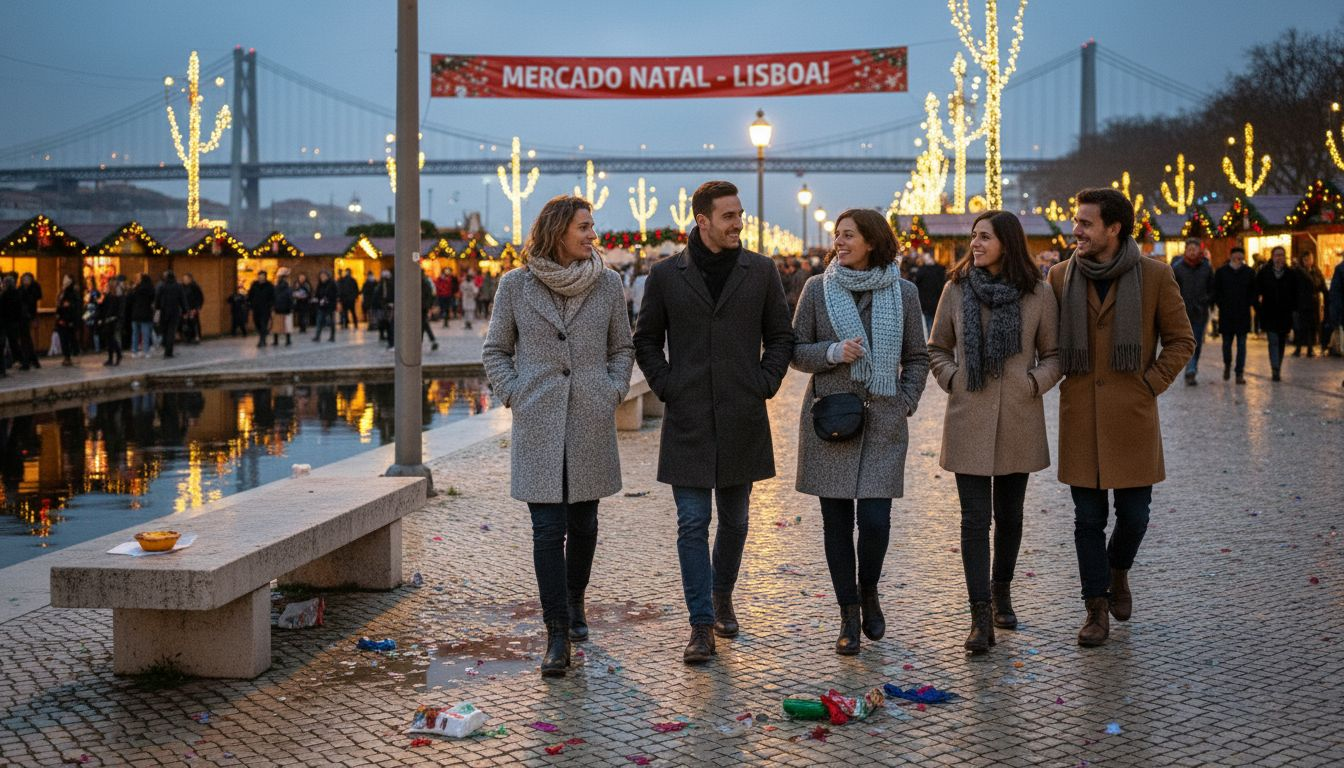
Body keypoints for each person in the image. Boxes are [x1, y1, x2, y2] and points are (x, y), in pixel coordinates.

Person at [633, 180, 794, 664]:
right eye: (728, 216)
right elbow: (646, 341)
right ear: (702, 221)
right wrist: (668, 386)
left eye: (740, 214)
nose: (738, 224)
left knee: (737, 521)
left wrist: (764, 381)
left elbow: (781, 337)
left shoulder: (761, 271)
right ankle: (700, 624)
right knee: (692, 522)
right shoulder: (665, 276)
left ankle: (723, 594)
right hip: (688, 419)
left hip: (743, 415)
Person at [482, 194, 634, 677]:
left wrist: (611, 390)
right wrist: (515, 394)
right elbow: (495, 351)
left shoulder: (608, 284)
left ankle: (574, 602)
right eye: (584, 227)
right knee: (548, 529)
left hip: (589, 417)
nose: (593, 234)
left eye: (592, 226)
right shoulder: (515, 286)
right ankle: (555, 635)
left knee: (585, 525)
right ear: (558, 231)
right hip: (539, 420)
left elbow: (622, 347)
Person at [1046, 188, 1194, 647]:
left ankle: (1118, 571)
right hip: (1082, 417)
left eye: (1086, 223)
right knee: (1086, 520)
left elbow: (1181, 340)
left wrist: (1148, 385)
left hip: (1132, 416)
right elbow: (1047, 344)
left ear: (1114, 228)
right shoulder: (1058, 277)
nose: (1076, 230)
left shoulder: (1154, 275)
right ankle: (1095, 608)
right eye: (1076, 221)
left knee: (1135, 515)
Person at [791, 208, 929, 655]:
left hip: (884, 420)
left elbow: (918, 357)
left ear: (872, 241)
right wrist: (832, 352)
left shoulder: (904, 293)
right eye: (837, 235)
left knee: (874, 520)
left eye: (849, 235)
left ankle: (868, 589)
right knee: (835, 523)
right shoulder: (817, 289)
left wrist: (905, 401)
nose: (840, 243)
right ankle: (848, 614)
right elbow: (795, 351)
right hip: (832, 420)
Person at [928, 210, 1060, 653]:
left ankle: (1002, 590)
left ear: (1008, 242)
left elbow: (1055, 354)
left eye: (984, 237)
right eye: (973, 236)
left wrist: (1032, 383)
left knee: (1011, 516)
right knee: (973, 520)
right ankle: (979, 615)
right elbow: (936, 347)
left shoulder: (1038, 293)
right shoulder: (956, 288)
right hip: (969, 415)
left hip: (1019, 418)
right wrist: (953, 378)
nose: (976, 244)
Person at [1171, 238, 1213, 386]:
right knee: (1187, 342)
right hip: (1182, 312)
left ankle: (1192, 367)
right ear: (1185, 250)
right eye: (1190, 249)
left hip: (1200, 311)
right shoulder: (1177, 268)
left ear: (1199, 250)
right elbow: (1171, 289)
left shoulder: (1206, 267)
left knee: (1197, 342)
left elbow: (1211, 288)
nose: (1192, 252)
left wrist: (1206, 300)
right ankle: (1191, 368)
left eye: (1195, 249)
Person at [1255, 246, 1298, 382]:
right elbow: (1256, 290)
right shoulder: (1264, 273)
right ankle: (1275, 369)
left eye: (1282, 255)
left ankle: (1277, 365)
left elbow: (1296, 293)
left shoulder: (1291, 274)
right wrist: (1259, 308)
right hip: (1269, 313)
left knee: (1281, 342)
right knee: (1273, 341)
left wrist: (1294, 309)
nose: (1279, 258)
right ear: (1272, 257)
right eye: (1277, 255)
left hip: (1285, 314)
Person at [1213, 246, 1256, 384]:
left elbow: (1253, 292)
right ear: (1231, 257)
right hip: (1227, 314)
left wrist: (1249, 303)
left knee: (1242, 345)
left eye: (1240, 258)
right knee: (1226, 344)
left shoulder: (1249, 272)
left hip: (1243, 314)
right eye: (1235, 257)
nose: (1238, 260)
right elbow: (1216, 291)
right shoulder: (1221, 272)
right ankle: (1227, 364)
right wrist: (1221, 304)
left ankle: (1239, 373)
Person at [1293, 250, 1327, 358]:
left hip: (1313, 303)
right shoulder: (1298, 272)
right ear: (1302, 260)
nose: (1308, 261)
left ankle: (1310, 348)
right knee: (1300, 327)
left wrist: (1327, 298)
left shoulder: (1316, 271)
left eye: (1310, 259)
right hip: (1301, 303)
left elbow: (1322, 286)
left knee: (1312, 326)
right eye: (1306, 259)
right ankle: (1298, 348)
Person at [154, 270, 187, 358]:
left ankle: (165, 347)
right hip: (174, 311)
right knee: (171, 331)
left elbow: (157, 299)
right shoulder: (178, 286)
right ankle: (169, 351)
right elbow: (182, 299)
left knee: (164, 330)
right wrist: (185, 310)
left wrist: (157, 308)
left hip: (164, 311)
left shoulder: (162, 286)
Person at [913, 252, 948, 334]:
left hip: (927, 301)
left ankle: (931, 341)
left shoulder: (922, 270)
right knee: (936, 322)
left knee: (929, 323)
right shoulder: (940, 269)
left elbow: (917, 283)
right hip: (937, 300)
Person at [54, 274, 81, 366]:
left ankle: (72, 355)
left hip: (69, 320)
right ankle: (67, 356)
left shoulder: (72, 293)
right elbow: (60, 305)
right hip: (62, 320)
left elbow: (74, 307)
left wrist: (68, 318)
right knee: (64, 340)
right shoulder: (62, 292)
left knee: (70, 339)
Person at [98, 279, 126, 366]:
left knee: (112, 339)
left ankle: (118, 354)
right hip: (108, 319)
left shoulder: (117, 296)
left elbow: (118, 309)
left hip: (113, 319)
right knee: (109, 339)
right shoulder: (108, 295)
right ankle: (111, 358)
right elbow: (103, 307)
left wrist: (118, 318)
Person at [128, 273, 156, 358]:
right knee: (146, 333)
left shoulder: (136, 289)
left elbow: (130, 299)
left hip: (136, 314)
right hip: (146, 313)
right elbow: (153, 300)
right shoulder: (150, 289)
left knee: (135, 333)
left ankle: (134, 351)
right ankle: (146, 351)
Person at [247, 271, 276, 348]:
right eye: (260, 276)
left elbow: (273, 297)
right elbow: (250, 295)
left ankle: (262, 340)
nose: (261, 277)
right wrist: (250, 304)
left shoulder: (269, 286)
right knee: (257, 323)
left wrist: (270, 305)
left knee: (263, 324)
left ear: (265, 277)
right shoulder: (254, 285)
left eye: (262, 276)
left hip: (265, 308)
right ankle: (263, 336)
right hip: (256, 308)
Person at [312, 270, 338, 342]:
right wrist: (316, 299)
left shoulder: (332, 283)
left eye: (324, 276)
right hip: (321, 305)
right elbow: (317, 293)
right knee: (319, 321)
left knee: (331, 321)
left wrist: (328, 299)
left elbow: (335, 294)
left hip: (330, 305)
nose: (322, 278)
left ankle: (332, 336)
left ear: (327, 276)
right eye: (321, 276)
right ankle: (317, 336)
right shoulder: (320, 284)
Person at [271, 268, 294, 346]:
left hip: (277, 308)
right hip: (286, 308)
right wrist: (291, 308)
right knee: (287, 325)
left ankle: (276, 341)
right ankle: (288, 340)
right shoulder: (288, 288)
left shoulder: (275, 287)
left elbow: (273, 298)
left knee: (276, 326)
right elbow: (290, 299)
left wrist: (273, 307)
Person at [374, 270, 394, 346]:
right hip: (384, 307)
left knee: (388, 324)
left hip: (387, 307)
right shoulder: (381, 285)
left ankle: (390, 341)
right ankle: (389, 340)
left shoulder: (387, 285)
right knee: (386, 324)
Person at [419, 271, 439, 351]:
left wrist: (429, 305)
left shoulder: (423, 282)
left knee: (423, 323)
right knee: (423, 323)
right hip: (424, 306)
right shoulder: (426, 281)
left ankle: (430, 340)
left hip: (422, 306)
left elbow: (429, 295)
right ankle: (431, 340)